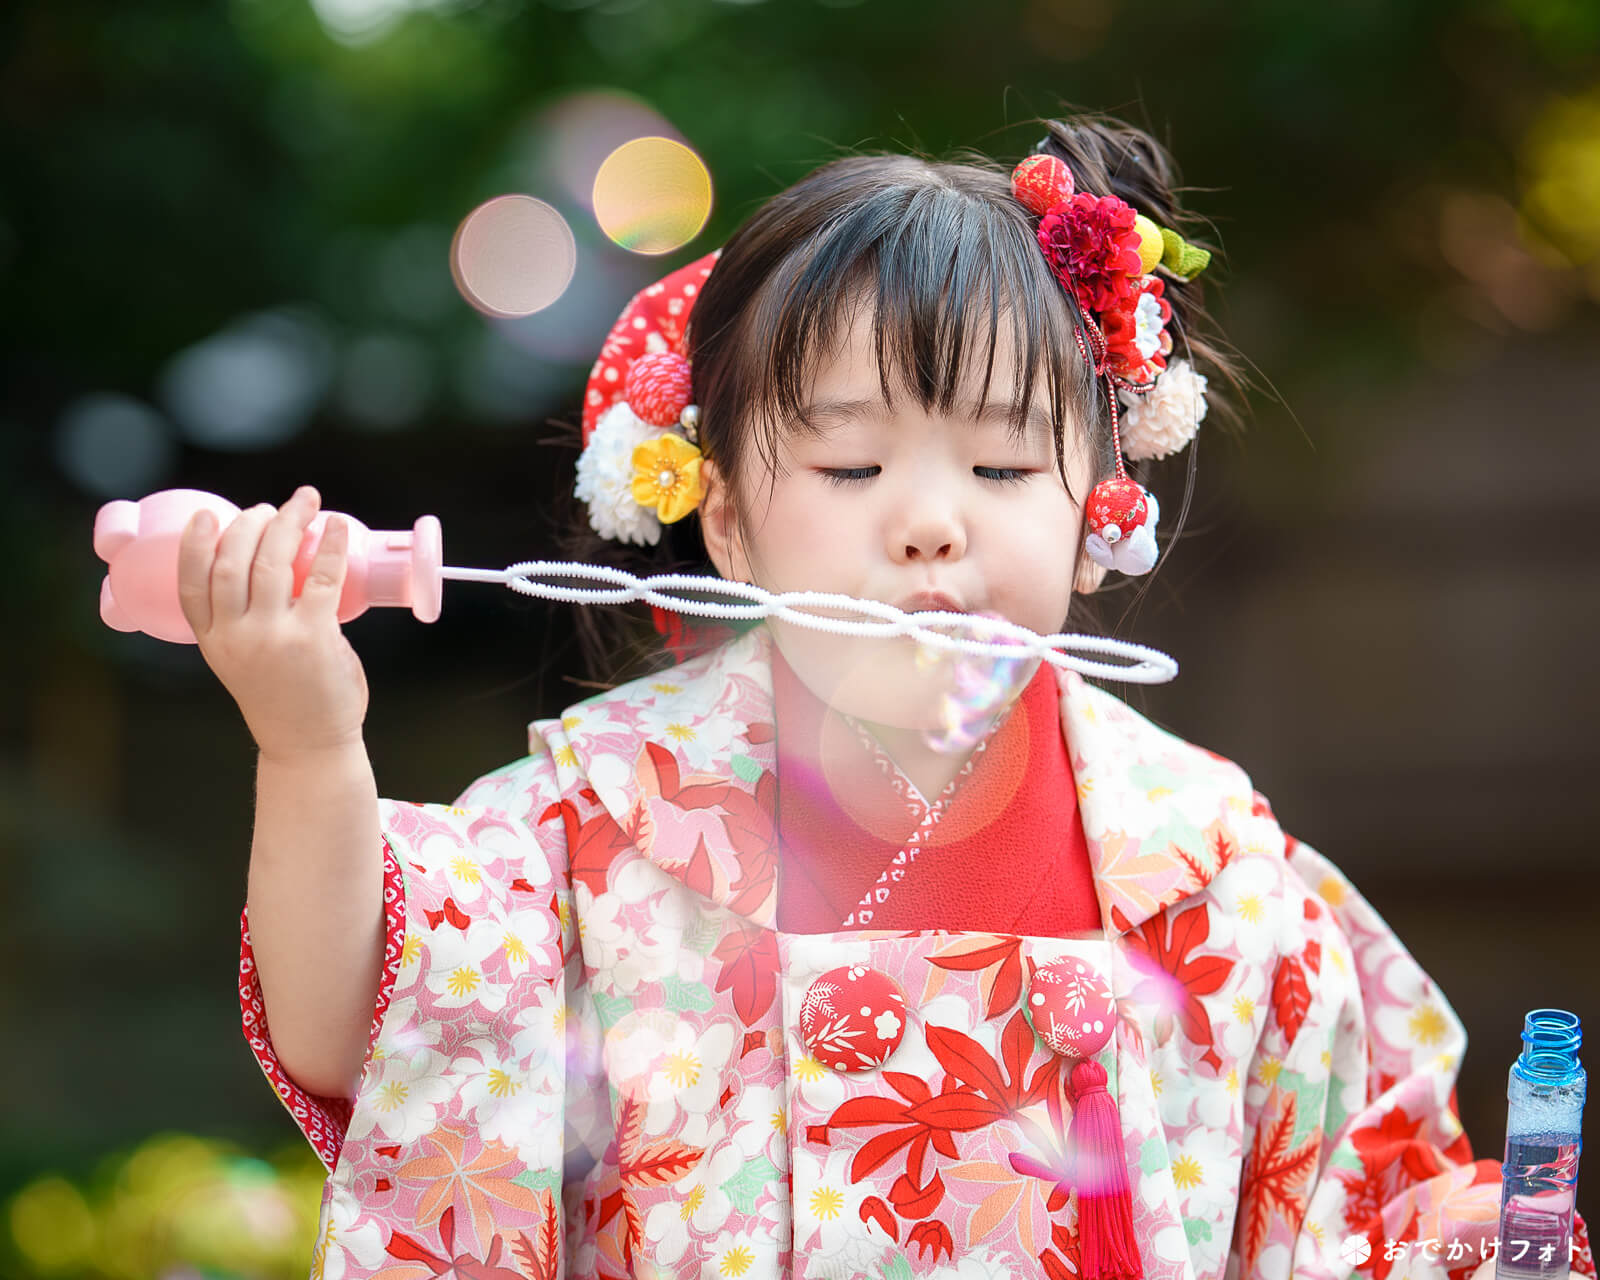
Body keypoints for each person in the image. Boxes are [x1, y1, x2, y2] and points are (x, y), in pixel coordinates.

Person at [177, 116, 1593, 1280]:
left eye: (999, 468)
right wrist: (309, 744)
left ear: (1098, 503)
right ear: (726, 520)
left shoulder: (1207, 864)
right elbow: (359, 1026)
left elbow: (1366, 1206)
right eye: (853, 470)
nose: (931, 524)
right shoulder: (596, 825)